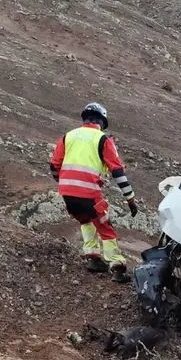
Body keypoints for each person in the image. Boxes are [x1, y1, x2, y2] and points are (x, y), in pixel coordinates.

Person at [49, 102, 138, 283]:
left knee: (85, 220)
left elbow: (54, 165)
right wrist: (130, 199)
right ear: (101, 122)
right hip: (89, 192)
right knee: (105, 227)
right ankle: (117, 267)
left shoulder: (68, 136)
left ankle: (93, 257)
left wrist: (65, 183)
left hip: (67, 192)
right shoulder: (103, 139)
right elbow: (117, 172)